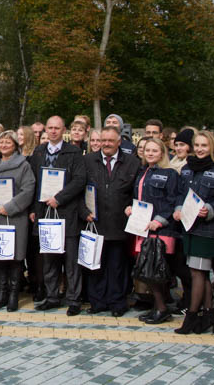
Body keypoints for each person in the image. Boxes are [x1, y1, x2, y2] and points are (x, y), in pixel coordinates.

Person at [172, 131, 214, 334]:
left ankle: (192, 316)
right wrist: (178, 208)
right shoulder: (188, 169)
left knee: (198, 272)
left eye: (204, 146)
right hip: (189, 227)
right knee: (199, 272)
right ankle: (208, 314)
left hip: (208, 229)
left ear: (212, 148)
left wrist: (211, 209)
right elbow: (181, 193)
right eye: (197, 145)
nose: (199, 149)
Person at [29, 116, 88, 316]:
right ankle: (52, 296)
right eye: (50, 128)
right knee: (49, 258)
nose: (53, 131)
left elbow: (80, 180)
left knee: (71, 261)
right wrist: (33, 210)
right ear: (46, 129)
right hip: (45, 212)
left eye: (57, 128)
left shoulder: (74, 152)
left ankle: (73, 299)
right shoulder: (38, 152)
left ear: (64, 130)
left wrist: (59, 198)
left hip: (67, 212)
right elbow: (33, 183)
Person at [84, 125, 141, 316]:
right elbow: (78, 188)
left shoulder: (132, 162)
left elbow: (137, 191)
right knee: (96, 266)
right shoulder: (88, 160)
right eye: (103, 141)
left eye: (110, 141)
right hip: (94, 222)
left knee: (117, 266)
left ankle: (117, 302)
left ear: (119, 142)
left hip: (119, 223)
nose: (106, 144)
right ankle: (97, 302)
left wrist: (134, 209)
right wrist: (83, 212)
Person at [125, 138, 179, 324]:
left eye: (154, 150)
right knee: (147, 270)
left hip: (160, 230)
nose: (150, 153)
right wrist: (130, 208)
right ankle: (158, 306)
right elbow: (137, 198)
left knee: (156, 270)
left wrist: (159, 220)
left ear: (162, 153)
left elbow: (173, 201)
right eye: (147, 150)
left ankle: (162, 308)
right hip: (143, 228)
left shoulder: (170, 174)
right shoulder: (143, 173)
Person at [0, 131, 35, 311]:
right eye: (1, 142)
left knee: (14, 258)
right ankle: (1, 294)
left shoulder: (23, 166)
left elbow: (28, 190)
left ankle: (14, 295)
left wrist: (11, 206)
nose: (4, 145)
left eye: (8, 142)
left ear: (15, 145)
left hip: (14, 217)